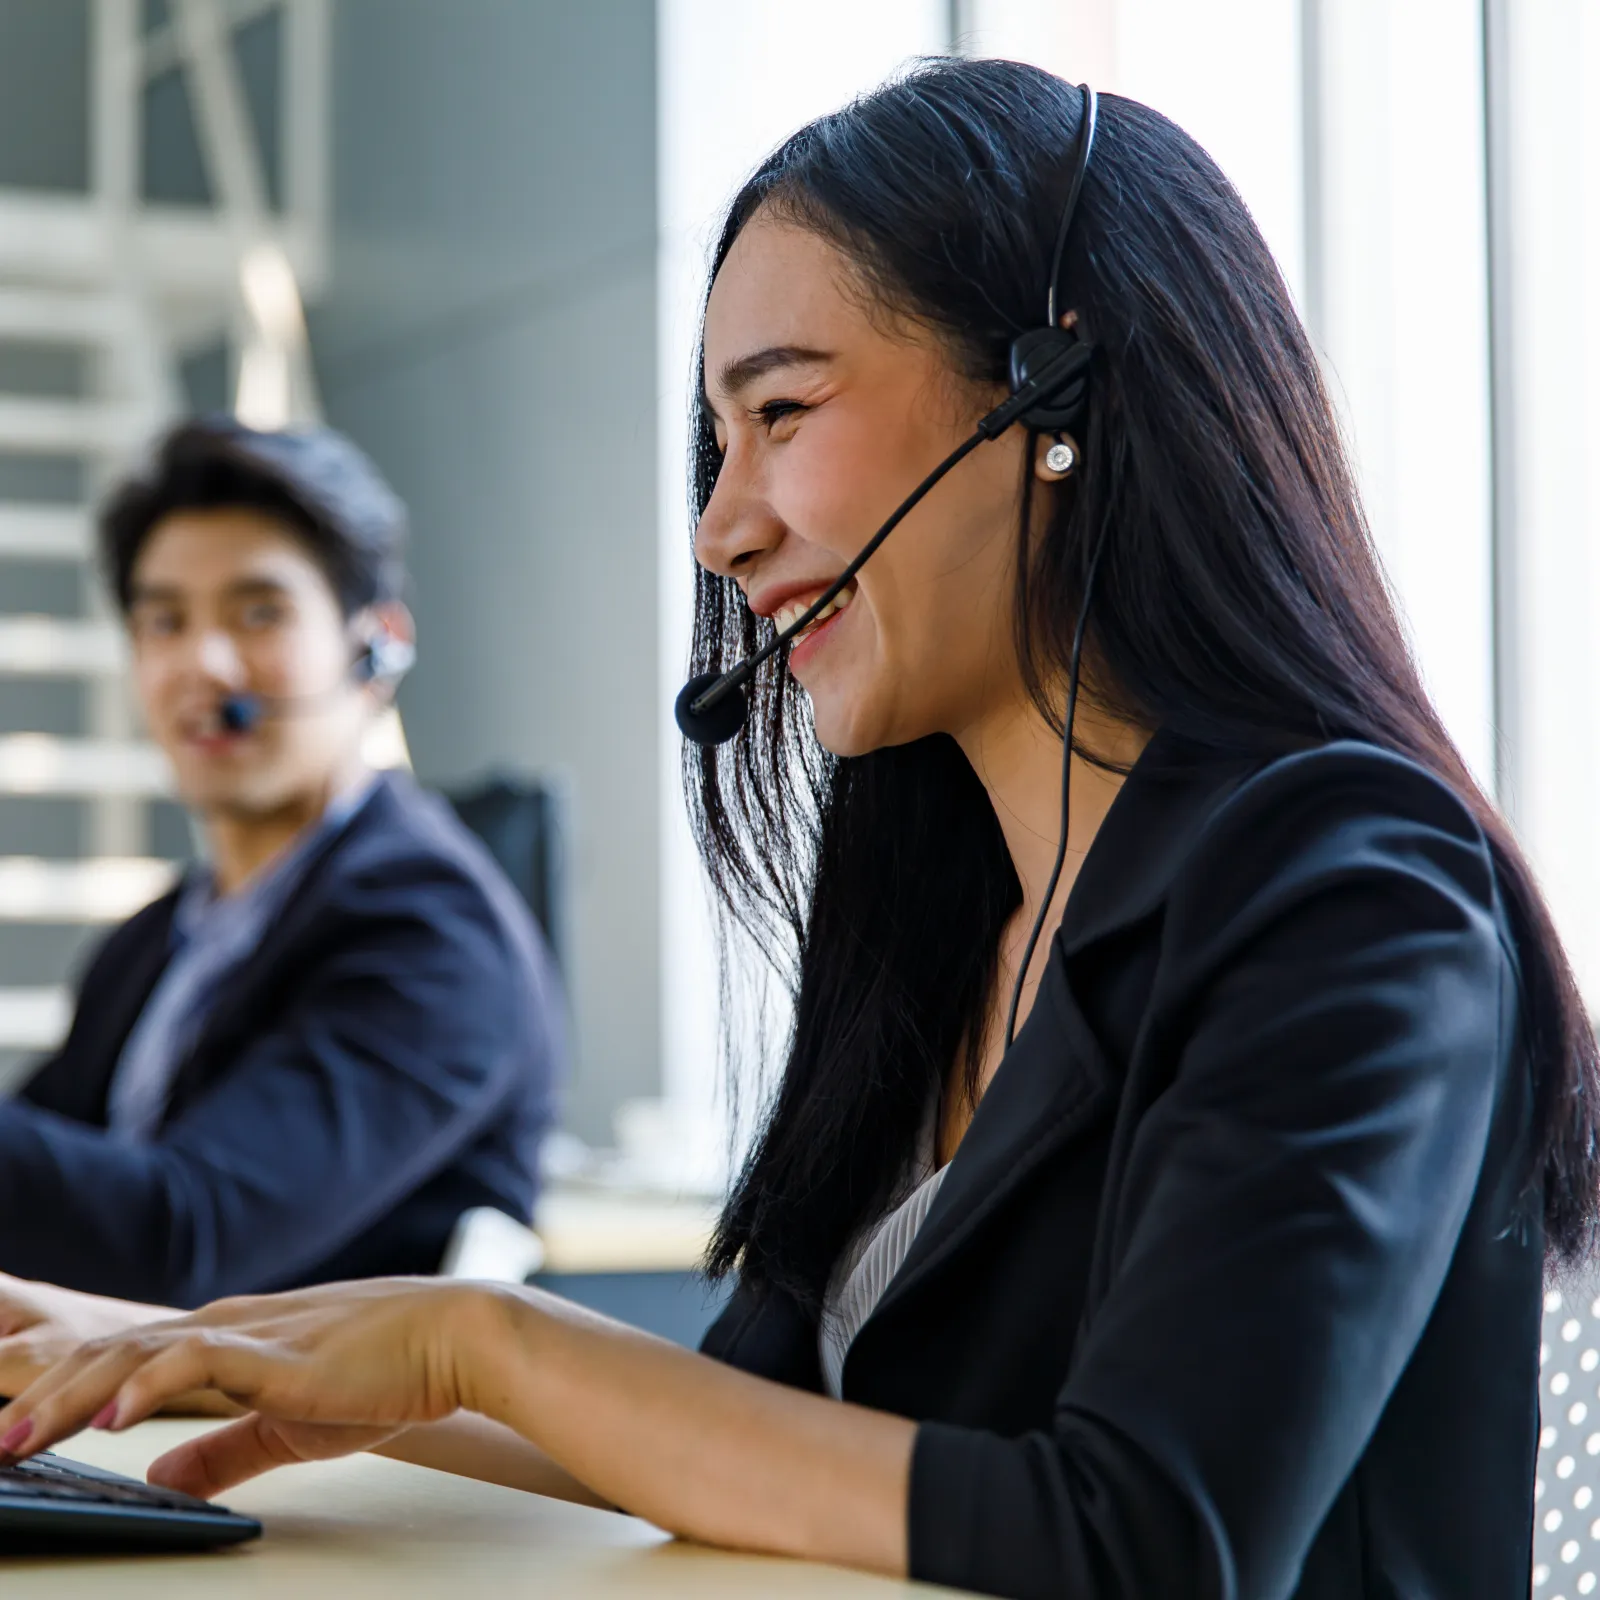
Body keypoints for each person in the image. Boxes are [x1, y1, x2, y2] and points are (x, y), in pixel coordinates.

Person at [0, 60, 1586, 1600]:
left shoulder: (1354, 893)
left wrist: (482, 1335)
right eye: (720, 437)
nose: (719, 524)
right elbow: (787, 1442)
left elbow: (1147, 1539)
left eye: (781, 411)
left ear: (1055, 387)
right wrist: (213, 1363)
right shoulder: (944, 902)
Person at [0, 417, 562, 1317]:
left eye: (259, 611)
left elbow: (182, 1242)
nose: (204, 664)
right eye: (164, 620)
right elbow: (49, 1188)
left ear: (374, 648)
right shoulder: (153, 943)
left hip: (316, 1452)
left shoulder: (434, 935)